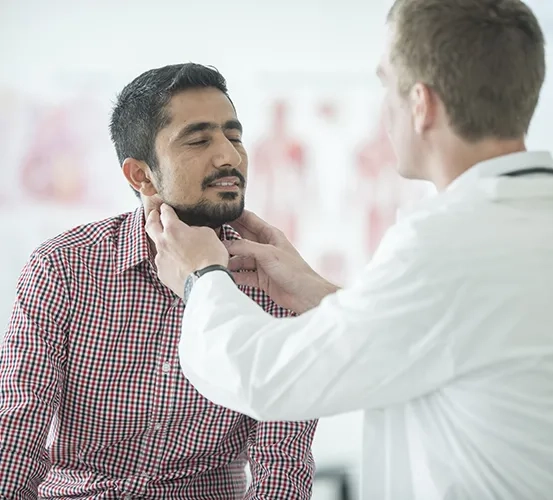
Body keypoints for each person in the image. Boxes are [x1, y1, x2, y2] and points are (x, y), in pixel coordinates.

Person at [145, 1, 553, 499]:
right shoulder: (520, 225)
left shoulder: (447, 244)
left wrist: (201, 277)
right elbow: (443, 334)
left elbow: (265, 377)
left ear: (421, 104)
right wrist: (318, 292)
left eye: (386, 84)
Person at [0, 63, 317, 499]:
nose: (229, 156)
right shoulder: (63, 268)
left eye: (234, 135)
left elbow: (283, 464)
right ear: (141, 175)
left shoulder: (275, 278)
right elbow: (18, 428)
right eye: (199, 139)